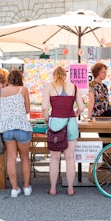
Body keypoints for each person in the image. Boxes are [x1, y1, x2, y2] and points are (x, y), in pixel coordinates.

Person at [42, 66, 84, 196]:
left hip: (55, 124)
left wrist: (47, 118)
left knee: (54, 158)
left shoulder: (49, 87)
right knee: (70, 157)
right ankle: (70, 188)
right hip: (70, 123)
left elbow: (44, 107)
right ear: (65, 75)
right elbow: (82, 107)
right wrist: (75, 114)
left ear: (54, 75)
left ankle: (53, 188)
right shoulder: (74, 87)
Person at [0, 70, 33, 197]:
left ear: (8, 79)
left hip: (7, 129)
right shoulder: (23, 90)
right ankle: (26, 187)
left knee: (11, 159)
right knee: (25, 158)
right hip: (22, 127)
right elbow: (27, 109)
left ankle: (14, 189)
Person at [87, 62, 111, 138]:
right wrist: (88, 117)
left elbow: (107, 101)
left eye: (105, 72)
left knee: (110, 136)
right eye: (103, 72)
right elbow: (91, 101)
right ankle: (108, 149)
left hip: (108, 113)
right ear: (97, 72)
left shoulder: (104, 86)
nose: (105, 74)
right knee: (104, 136)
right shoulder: (92, 85)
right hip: (99, 114)